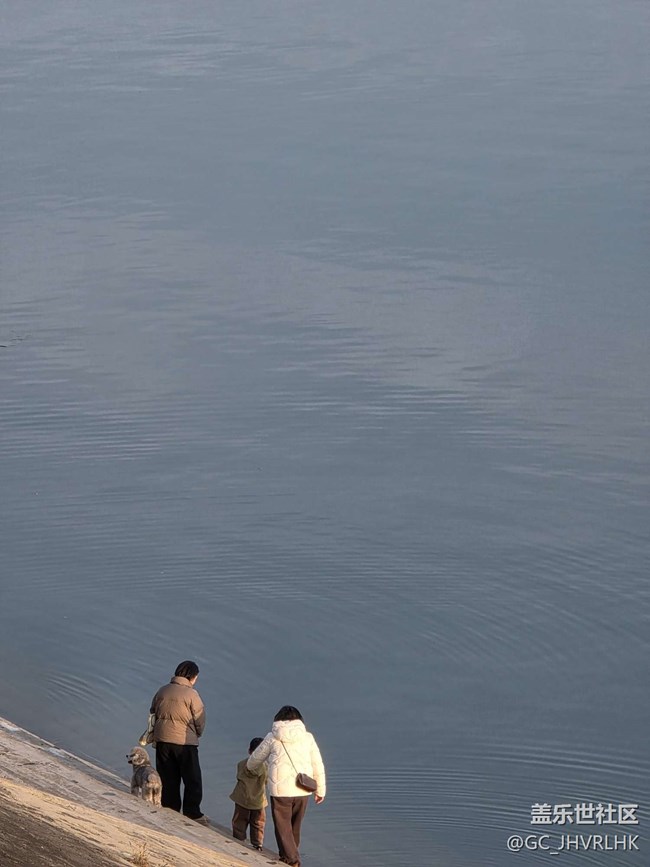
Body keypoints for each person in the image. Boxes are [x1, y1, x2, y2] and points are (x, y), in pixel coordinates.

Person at [247, 706, 325, 867]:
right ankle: (287, 856)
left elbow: (255, 759)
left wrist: (250, 767)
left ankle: (292, 859)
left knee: (283, 827)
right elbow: (318, 764)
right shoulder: (308, 738)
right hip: (303, 788)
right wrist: (320, 790)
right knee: (295, 826)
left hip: (280, 791)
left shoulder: (272, 737)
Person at [149, 660, 208, 824]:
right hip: (184, 742)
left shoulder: (162, 690)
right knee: (192, 779)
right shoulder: (192, 694)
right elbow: (200, 719)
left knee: (168, 777)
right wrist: (197, 734)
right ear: (192, 676)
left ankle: (170, 808)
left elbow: (153, 710)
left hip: (162, 740)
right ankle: (192, 813)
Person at [229, 736, 268, 850]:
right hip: (258, 801)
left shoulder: (241, 764)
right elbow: (266, 782)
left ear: (249, 751)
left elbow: (238, 777)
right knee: (258, 823)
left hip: (242, 798)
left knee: (239, 821)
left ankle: (239, 840)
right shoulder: (265, 768)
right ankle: (257, 844)